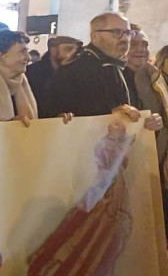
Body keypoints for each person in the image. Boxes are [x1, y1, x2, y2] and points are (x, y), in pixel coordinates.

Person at [44, 13, 163, 135]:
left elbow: (131, 115)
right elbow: (54, 118)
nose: (124, 39)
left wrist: (147, 122)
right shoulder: (74, 70)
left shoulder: (122, 68)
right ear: (95, 37)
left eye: (127, 33)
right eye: (116, 32)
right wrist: (110, 113)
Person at [128, 26, 167, 164]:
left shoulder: (155, 79)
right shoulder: (109, 77)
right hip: (119, 159)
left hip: (151, 160)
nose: (141, 49)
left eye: (145, 45)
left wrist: (158, 122)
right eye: (134, 44)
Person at [27, 35, 82, 115]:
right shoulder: (32, 73)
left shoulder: (74, 74)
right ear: (53, 50)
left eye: (76, 51)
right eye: (69, 49)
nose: (74, 54)